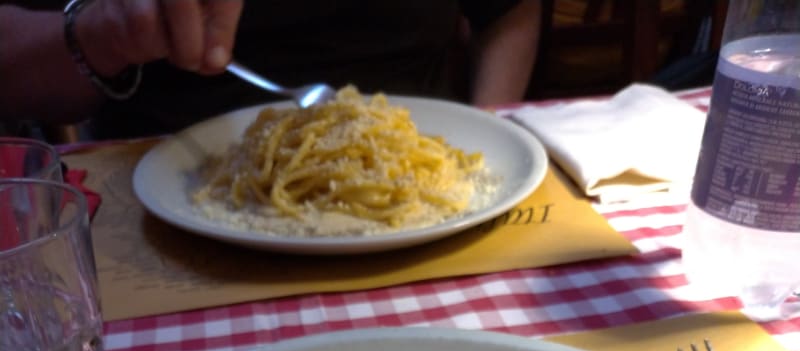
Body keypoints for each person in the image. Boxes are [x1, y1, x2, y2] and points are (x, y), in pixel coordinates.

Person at [0, 0, 541, 137]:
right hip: (171, 194)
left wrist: (487, 126)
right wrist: (98, 34)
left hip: (433, 198)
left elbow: (508, 10)